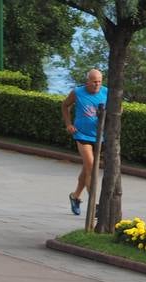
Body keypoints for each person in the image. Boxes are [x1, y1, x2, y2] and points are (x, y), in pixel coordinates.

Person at [61, 68, 106, 216]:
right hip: (82, 135)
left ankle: (75, 196)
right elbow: (65, 105)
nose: (96, 85)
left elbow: (119, 108)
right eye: (94, 82)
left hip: (99, 136)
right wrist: (68, 124)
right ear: (88, 81)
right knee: (92, 167)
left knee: (87, 168)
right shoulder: (78, 92)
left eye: (99, 82)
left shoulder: (107, 92)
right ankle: (95, 204)